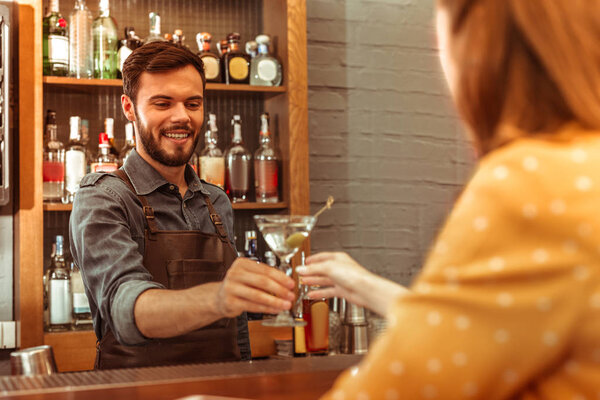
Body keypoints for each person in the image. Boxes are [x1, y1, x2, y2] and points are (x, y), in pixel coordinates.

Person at [298, 0, 600, 398]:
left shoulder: (531, 183)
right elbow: (493, 324)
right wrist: (365, 286)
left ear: (477, 47)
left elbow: (394, 391)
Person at [69, 41, 295, 369]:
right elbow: (124, 307)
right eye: (163, 103)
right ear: (129, 108)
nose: (182, 117)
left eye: (193, 103)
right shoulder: (104, 197)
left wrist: (279, 293)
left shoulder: (216, 201)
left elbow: (236, 327)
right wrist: (221, 297)